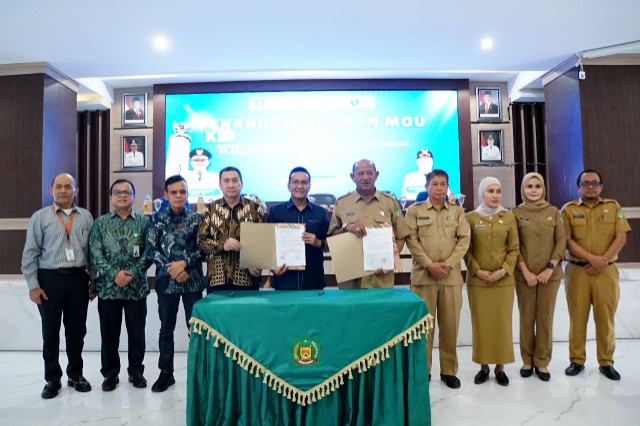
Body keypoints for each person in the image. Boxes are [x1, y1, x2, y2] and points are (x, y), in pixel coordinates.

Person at [21, 173, 96, 399]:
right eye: (59, 187)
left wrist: (93, 279)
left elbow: (92, 252)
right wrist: (33, 285)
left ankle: (76, 374)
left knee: (77, 331)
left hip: (78, 279)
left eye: (68, 187)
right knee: (50, 331)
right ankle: (52, 378)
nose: (63, 191)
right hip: (49, 280)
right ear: (51, 190)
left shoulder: (85, 217)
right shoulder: (40, 217)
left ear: (76, 191)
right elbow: (30, 254)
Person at [561, 169, 631, 381]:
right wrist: (592, 259)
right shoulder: (568, 210)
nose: (590, 187)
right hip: (578, 272)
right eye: (586, 183)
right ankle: (576, 360)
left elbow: (621, 237)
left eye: (594, 183)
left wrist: (602, 262)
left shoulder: (613, 207)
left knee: (605, 319)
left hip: (606, 272)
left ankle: (606, 362)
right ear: (578, 187)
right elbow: (567, 241)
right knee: (577, 318)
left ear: (601, 186)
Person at [405, 169, 470, 389]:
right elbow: (412, 241)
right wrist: (429, 264)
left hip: (450, 277)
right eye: (435, 184)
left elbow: (464, 240)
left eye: (443, 184)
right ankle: (423, 371)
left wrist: (448, 264)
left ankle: (449, 371)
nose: (439, 188)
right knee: (423, 328)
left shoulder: (457, 211)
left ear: (447, 187)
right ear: (427, 187)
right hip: (423, 277)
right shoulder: (414, 211)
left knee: (450, 327)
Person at [145, 175, 205, 392]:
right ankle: (166, 373)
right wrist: (173, 269)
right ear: (166, 195)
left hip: (192, 281)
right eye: (174, 192)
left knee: (196, 329)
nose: (179, 196)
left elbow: (204, 248)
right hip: (166, 282)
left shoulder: (198, 219)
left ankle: (199, 374)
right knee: (166, 329)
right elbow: (151, 249)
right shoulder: (156, 219)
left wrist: (184, 264)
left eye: (183, 192)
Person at [89, 179, 150, 391]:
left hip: (136, 289)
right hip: (108, 289)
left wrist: (132, 273)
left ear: (134, 196)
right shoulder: (100, 223)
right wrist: (114, 274)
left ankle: (136, 372)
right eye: (117, 192)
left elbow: (149, 252)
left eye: (126, 192)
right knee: (109, 335)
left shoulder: (144, 223)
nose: (122, 195)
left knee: (137, 334)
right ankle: (110, 375)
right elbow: (95, 253)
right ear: (111, 197)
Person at [464, 176, 519, 386]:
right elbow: (466, 250)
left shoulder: (509, 217)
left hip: (503, 283)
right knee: (482, 325)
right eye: (490, 191)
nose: (495, 195)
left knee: (502, 324)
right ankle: (484, 367)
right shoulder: (470, 218)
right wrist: (477, 271)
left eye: (498, 191)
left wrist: (502, 271)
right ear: (482, 194)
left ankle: (501, 368)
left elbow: (514, 249)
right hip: (478, 283)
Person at [513, 173, 566, 382]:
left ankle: (542, 361)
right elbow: (514, 245)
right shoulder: (516, 213)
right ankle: (527, 360)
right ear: (523, 189)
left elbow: (561, 241)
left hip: (549, 276)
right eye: (529, 186)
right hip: (524, 276)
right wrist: (526, 272)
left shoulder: (554, 212)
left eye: (537, 186)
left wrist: (550, 268)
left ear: (543, 189)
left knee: (545, 318)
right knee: (526, 318)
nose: (533, 190)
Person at [328, 159, 410, 288]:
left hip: (380, 277)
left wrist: (389, 260)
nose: (365, 177)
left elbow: (401, 235)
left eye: (369, 173)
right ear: (352, 177)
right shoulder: (341, 203)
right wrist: (346, 228)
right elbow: (332, 236)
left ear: (376, 175)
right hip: (351, 278)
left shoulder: (390, 202)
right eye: (360, 173)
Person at [198, 166, 265, 291]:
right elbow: (201, 242)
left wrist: (257, 263)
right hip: (217, 279)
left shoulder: (255, 209)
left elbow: (263, 242)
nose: (231, 185)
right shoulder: (209, 209)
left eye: (235, 180)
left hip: (247, 278)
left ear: (241, 184)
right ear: (220, 185)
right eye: (226, 181)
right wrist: (223, 245)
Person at [266, 167, 330, 290]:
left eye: (304, 182)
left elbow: (332, 243)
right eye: (295, 182)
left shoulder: (320, 213)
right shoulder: (276, 212)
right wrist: (272, 267)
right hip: (284, 280)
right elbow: (267, 244)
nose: (299, 186)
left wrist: (318, 242)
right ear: (288, 185)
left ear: (309, 186)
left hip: (313, 281)